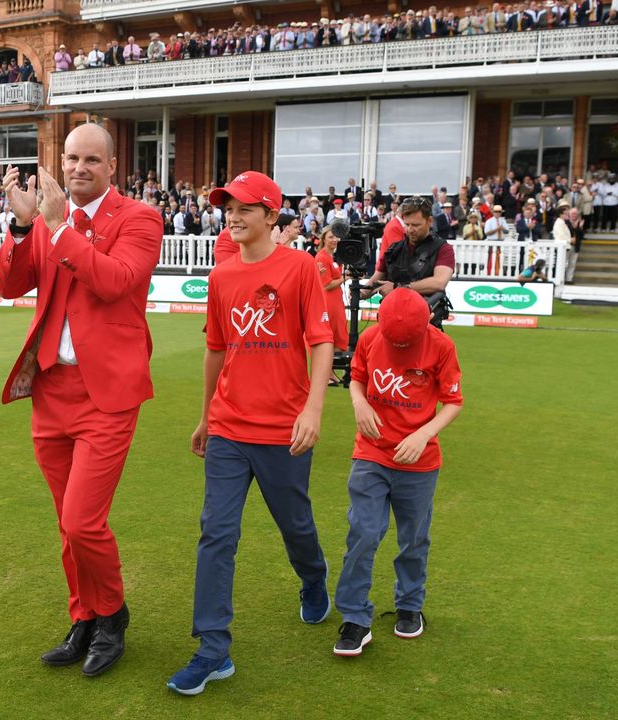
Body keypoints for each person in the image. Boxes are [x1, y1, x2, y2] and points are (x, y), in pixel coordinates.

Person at [0, 124, 163, 677]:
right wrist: (23, 226)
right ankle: (83, 617)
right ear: (59, 160)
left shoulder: (138, 218)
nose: (79, 167)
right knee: (67, 525)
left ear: (112, 167)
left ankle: (112, 615)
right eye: (71, 157)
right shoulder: (47, 219)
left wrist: (58, 224)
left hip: (107, 394)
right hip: (51, 390)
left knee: (83, 521)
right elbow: (10, 285)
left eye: (92, 159)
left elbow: (115, 281)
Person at [168, 171, 333, 696]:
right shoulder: (221, 277)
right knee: (216, 533)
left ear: (270, 215)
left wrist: (313, 410)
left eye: (243, 208)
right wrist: (204, 418)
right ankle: (212, 649)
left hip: (284, 429)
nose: (232, 216)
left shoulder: (300, 267)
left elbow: (322, 342)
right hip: (229, 428)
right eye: (227, 208)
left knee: (296, 526)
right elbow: (216, 350)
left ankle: (313, 580)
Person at [333, 288, 463, 657]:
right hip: (371, 453)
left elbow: (453, 402)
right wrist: (358, 402)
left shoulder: (441, 346)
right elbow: (356, 377)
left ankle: (409, 604)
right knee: (363, 532)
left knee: (414, 538)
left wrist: (423, 434)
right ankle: (355, 617)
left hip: (418, 462)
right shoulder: (372, 336)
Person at [361, 196, 455, 329]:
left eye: (416, 225)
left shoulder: (443, 249)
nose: (410, 229)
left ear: (430, 221)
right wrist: (360, 292)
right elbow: (376, 280)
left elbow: (439, 283)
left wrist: (397, 288)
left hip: (425, 324)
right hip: (391, 321)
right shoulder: (394, 249)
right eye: (407, 224)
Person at [315, 226, 349, 351]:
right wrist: (346, 278)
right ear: (324, 239)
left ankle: (331, 369)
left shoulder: (333, 256)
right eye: (331, 237)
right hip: (329, 302)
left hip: (336, 301)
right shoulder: (322, 257)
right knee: (333, 336)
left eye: (336, 237)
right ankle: (328, 368)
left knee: (338, 335)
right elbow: (327, 285)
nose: (334, 240)